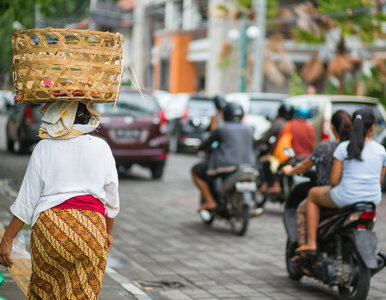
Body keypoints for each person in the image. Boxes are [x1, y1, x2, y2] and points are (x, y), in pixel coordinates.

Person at [0, 101, 119, 299]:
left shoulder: (43, 147)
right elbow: (112, 200)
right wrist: (109, 232)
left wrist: (7, 240)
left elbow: (26, 201)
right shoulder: (102, 148)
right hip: (90, 231)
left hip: (50, 231)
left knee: (46, 292)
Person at [298, 107, 386, 254]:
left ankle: (312, 243)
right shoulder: (381, 151)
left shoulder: (344, 148)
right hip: (372, 199)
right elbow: (379, 181)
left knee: (313, 194)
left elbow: (333, 181)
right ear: (372, 127)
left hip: (345, 197)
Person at [281, 110, 352, 247]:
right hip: (356, 196)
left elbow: (305, 166)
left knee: (303, 208)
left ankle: (305, 247)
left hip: (332, 195)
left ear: (331, 127)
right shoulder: (357, 148)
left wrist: (290, 171)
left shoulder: (326, 147)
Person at [191, 102, 255, 211]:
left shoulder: (221, 128)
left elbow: (207, 143)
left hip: (225, 165)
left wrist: (198, 148)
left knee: (196, 170)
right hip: (249, 165)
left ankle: (210, 201)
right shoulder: (249, 129)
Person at [266, 104, 316, 194]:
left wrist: (271, 152)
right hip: (306, 158)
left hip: (292, 158)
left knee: (273, 165)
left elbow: (280, 142)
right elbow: (312, 145)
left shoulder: (289, 125)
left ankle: (276, 185)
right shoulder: (310, 127)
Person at [257, 104, 294, 193]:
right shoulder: (293, 123)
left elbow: (265, 137)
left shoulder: (278, 123)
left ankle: (273, 184)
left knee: (265, 162)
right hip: (292, 153)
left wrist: (259, 141)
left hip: (280, 154)